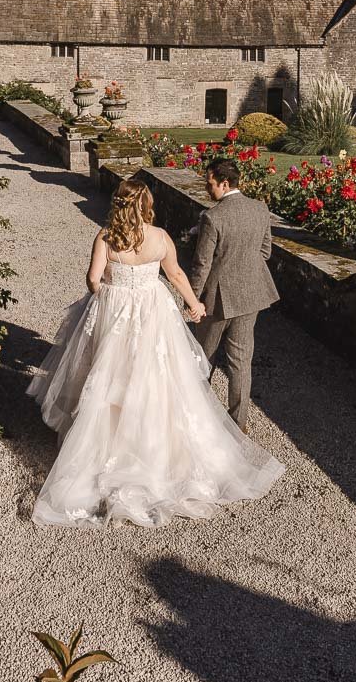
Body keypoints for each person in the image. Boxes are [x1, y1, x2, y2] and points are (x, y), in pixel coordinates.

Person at [28, 177, 283, 527]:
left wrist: (110, 292)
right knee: (159, 377)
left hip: (116, 311)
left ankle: (106, 448)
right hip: (152, 311)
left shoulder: (105, 237)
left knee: (107, 374)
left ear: (119, 204)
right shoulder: (160, 237)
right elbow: (176, 274)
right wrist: (194, 305)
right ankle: (158, 451)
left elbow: (92, 280)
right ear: (146, 205)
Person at [189, 157, 280, 434]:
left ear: (224, 183)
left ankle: (194, 414)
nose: (207, 188)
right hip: (251, 294)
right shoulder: (260, 209)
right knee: (240, 361)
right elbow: (265, 252)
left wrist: (192, 299)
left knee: (203, 356)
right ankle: (238, 424)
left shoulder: (213, 217)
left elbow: (202, 264)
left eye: (210, 183)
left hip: (217, 299)